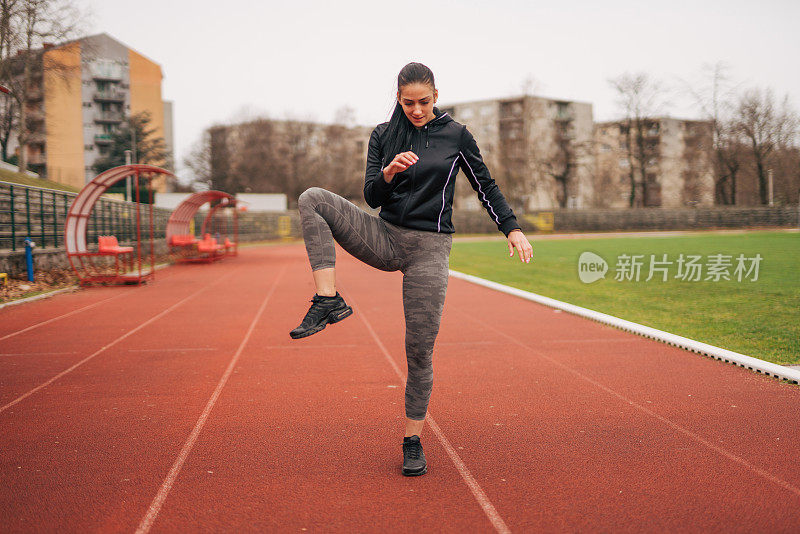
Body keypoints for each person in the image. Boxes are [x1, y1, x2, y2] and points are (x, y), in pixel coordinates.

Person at [291, 62, 533, 476]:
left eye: (423, 102)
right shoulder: (384, 135)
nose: (416, 110)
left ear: (436, 96)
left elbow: (485, 185)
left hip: (430, 250)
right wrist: (388, 172)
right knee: (312, 198)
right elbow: (371, 195)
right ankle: (327, 300)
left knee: (419, 350)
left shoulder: (457, 135)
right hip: (384, 236)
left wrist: (511, 229)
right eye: (408, 103)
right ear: (397, 98)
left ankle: (412, 440)